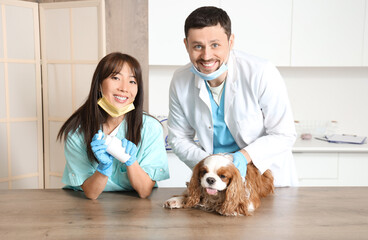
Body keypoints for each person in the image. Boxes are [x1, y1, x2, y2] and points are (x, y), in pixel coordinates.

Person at [167, 6, 298, 186]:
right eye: (198, 46)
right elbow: (178, 138)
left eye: (215, 45)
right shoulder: (180, 80)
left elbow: (284, 134)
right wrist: (213, 164)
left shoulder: (260, 72)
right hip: (217, 180)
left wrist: (243, 157)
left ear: (231, 41)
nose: (206, 56)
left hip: (265, 178)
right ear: (186, 45)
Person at [58, 52, 169, 199]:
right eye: (115, 78)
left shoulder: (150, 128)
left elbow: (144, 191)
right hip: (87, 208)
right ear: (99, 84)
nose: (124, 88)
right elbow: (91, 194)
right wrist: (103, 168)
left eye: (132, 81)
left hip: (136, 207)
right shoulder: (77, 131)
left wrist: (130, 161)